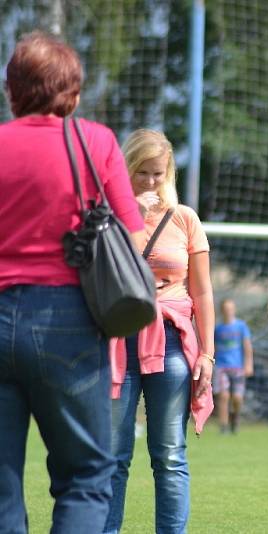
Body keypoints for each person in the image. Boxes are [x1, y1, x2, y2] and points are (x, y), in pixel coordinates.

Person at [0, 31, 145, 533]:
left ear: (11, 90)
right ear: (73, 93)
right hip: (69, 320)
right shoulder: (94, 141)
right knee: (85, 476)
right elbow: (130, 228)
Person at [103, 130, 215, 534]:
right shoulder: (106, 215)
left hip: (170, 341)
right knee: (113, 456)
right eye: (141, 173)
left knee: (169, 454)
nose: (150, 182)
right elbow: (103, 267)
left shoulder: (184, 218)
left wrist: (207, 354)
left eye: (157, 173)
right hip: (118, 339)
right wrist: (126, 211)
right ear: (124, 169)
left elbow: (202, 292)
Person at [213, 298, 254, 434]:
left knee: (237, 398)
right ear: (222, 311)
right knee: (223, 396)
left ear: (234, 310)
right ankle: (223, 426)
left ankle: (235, 418)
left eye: (230, 309)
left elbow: (247, 346)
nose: (228, 312)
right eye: (226, 309)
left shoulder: (241, 326)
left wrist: (248, 364)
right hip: (221, 366)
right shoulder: (218, 329)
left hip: (238, 366)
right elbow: (213, 347)